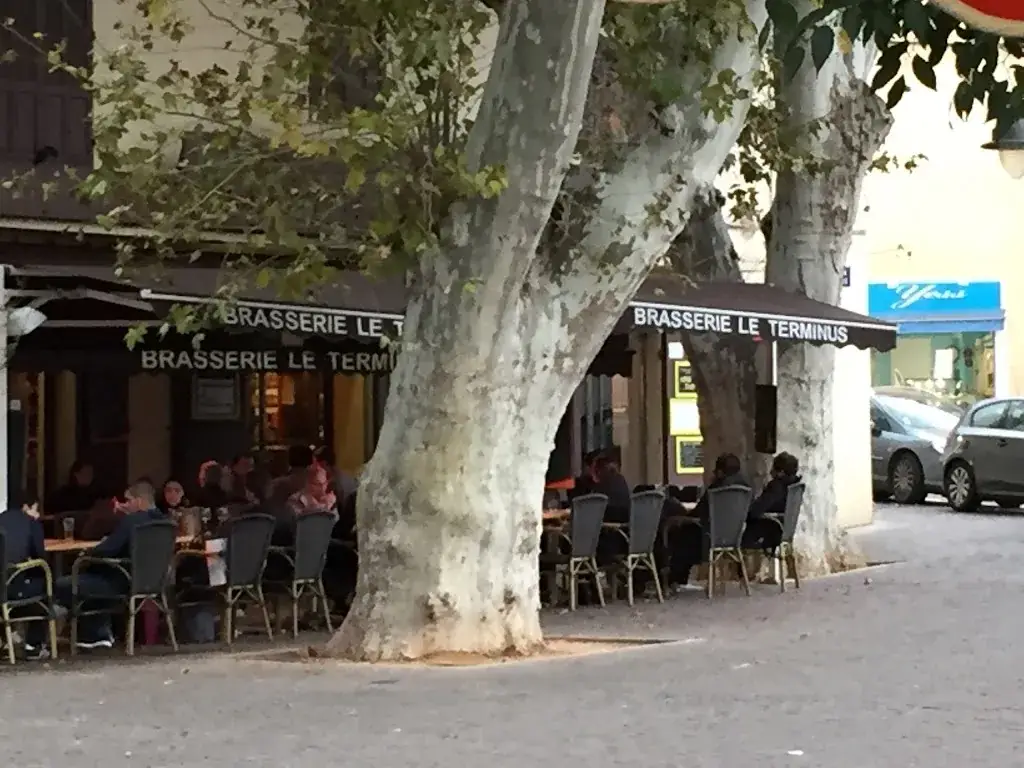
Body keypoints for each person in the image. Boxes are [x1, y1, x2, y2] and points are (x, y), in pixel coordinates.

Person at [54, 479, 166, 650]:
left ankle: (91, 634)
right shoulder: (166, 523)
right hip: (154, 583)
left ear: (140, 501)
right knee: (91, 580)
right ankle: (97, 634)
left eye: (128, 501)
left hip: (121, 582)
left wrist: (87, 553)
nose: (125, 505)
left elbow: (107, 550)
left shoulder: (131, 522)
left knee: (64, 583)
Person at [669, 453, 750, 588]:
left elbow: (700, 512)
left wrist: (681, 514)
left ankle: (676, 579)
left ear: (720, 471)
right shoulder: (746, 489)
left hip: (709, 537)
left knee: (682, 534)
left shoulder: (716, 489)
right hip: (736, 536)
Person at [0, 499, 49, 659]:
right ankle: (34, 645)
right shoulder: (30, 523)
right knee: (45, 583)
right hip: (14, 589)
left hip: (2, 586)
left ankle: (5, 640)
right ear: (26, 506)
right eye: (36, 508)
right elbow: (40, 555)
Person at [742, 452, 802, 551]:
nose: (770, 472)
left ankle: (744, 565)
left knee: (742, 535)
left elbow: (756, 510)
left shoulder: (776, 486)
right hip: (785, 530)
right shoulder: (794, 486)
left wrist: (746, 513)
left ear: (781, 472)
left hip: (770, 529)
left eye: (773, 468)